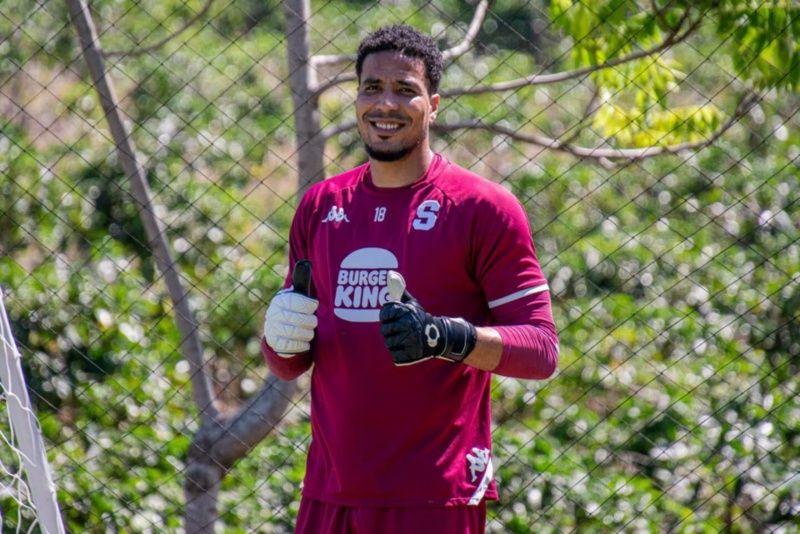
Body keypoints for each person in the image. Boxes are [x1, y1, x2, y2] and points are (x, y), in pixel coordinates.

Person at [261, 24, 559, 534]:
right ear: (357, 98)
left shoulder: (482, 208)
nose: (386, 104)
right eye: (372, 88)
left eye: (405, 90)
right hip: (330, 491)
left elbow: (541, 350)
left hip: (435, 497)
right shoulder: (321, 205)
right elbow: (290, 365)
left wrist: (446, 337)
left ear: (433, 105)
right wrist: (278, 338)